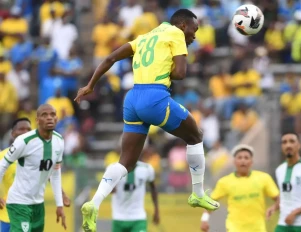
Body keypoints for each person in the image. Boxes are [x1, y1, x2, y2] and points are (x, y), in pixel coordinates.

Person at [74, 9, 219, 232]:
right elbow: (180, 74)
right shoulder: (176, 35)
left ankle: (94, 203)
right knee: (196, 136)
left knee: (126, 162)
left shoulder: (145, 37)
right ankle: (198, 194)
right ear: (182, 25)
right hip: (155, 96)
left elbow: (110, 58)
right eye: (194, 29)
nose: (195, 35)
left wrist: (91, 85)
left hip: (132, 99)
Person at [0, 105, 67, 231]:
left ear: (57, 118)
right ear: (37, 120)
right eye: (44, 115)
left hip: (38, 204)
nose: (49, 118)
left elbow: (55, 172)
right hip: (19, 203)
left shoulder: (59, 141)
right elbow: (2, 165)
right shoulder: (24, 141)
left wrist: (59, 204)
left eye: (53, 114)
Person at [200, 144, 280, 232]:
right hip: (235, 228)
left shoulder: (264, 178)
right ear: (234, 161)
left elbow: (278, 198)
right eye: (240, 158)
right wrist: (204, 219)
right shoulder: (225, 182)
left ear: (251, 162)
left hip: (258, 228)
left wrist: (274, 208)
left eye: (246, 158)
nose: (243, 161)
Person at [110, 160, 159, 232]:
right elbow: (106, 187)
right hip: (119, 217)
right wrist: (110, 187)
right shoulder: (113, 168)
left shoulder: (147, 168)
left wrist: (157, 210)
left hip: (138, 217)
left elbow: (153, 188)